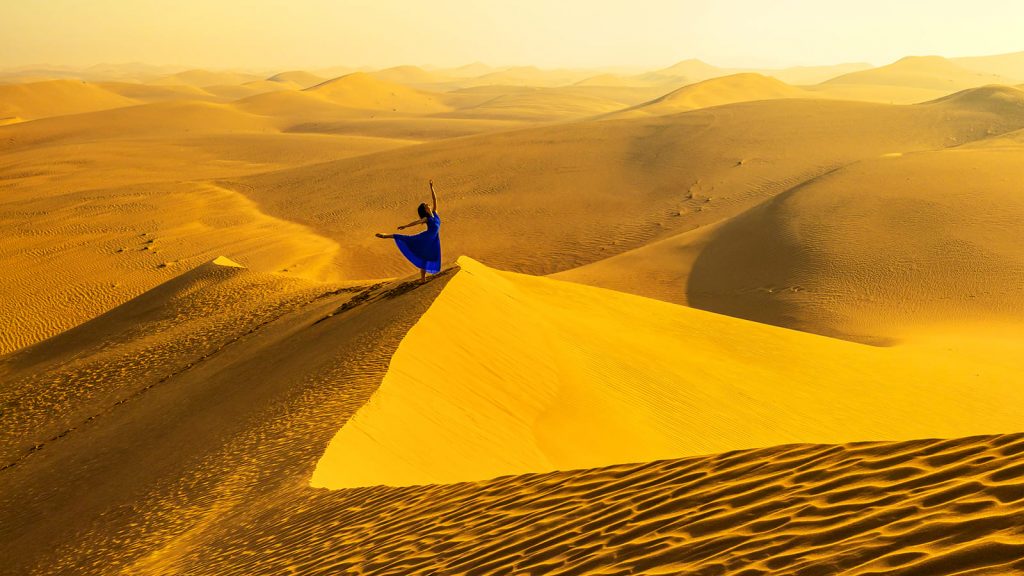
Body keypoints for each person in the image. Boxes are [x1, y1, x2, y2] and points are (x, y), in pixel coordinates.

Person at [376, 179, 442, 282]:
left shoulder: (435, 212)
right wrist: (405, 226)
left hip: (433, 240)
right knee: (407, 239)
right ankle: (386, 236)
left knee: (426, 257)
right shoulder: (426, 219)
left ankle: (423, 279)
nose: (428, 205)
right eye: (426, 205)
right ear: (425, 210)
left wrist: (431, 187)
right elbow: (415, 222)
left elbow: (435, 200)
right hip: (426, 238)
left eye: (427, 204)